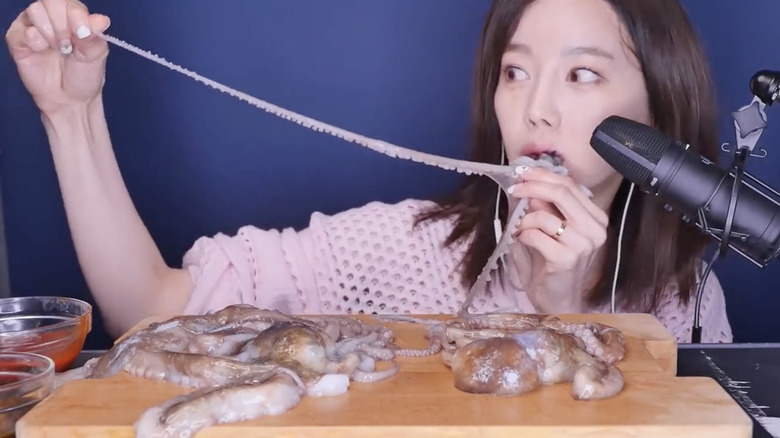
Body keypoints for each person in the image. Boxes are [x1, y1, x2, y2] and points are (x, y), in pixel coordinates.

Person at [5, 0, 733, 343]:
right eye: (515, 72)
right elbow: (151, 312)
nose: (536, 110)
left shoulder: (686, 304)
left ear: (657, 112)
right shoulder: (403, 250)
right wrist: (70, 115)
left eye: (581, 75)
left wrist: (563, 311)